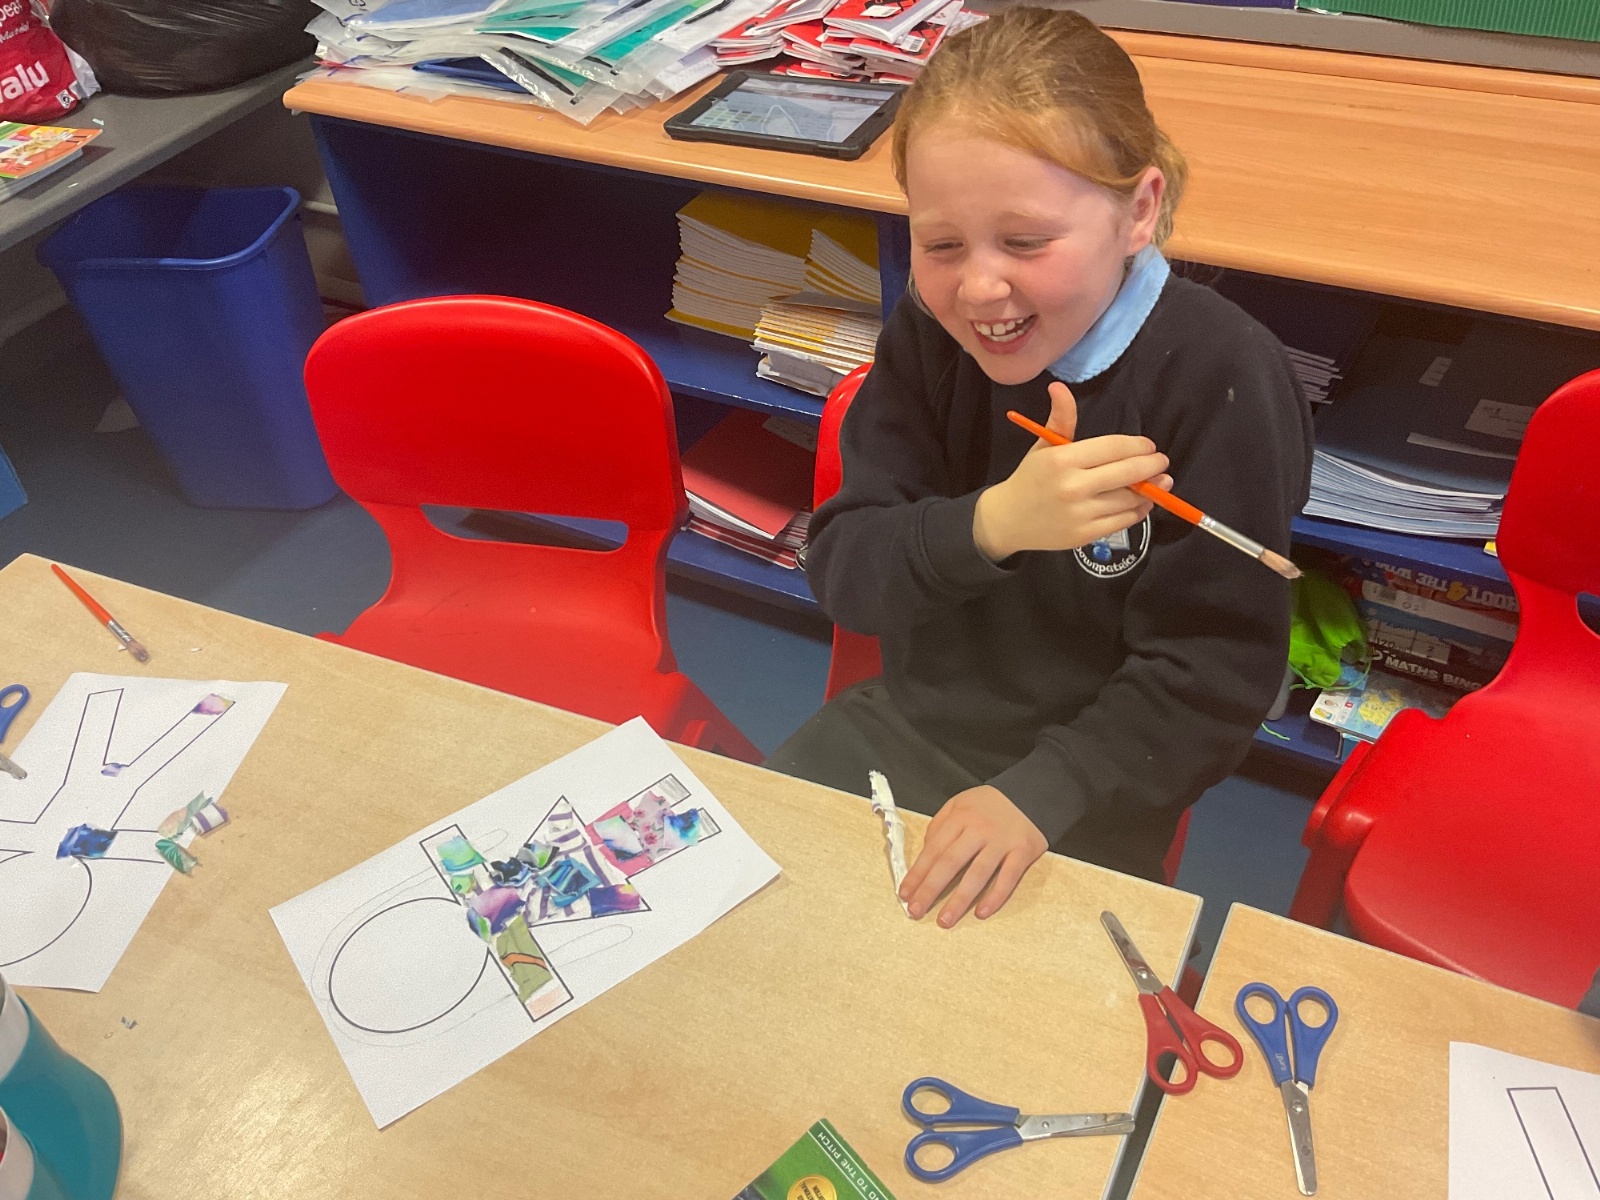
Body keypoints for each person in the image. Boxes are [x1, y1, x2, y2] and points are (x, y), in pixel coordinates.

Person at [767, 7, 1313, 925]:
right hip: (908, 730)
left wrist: (1041, 793)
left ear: (1138, 211)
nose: (980, 288)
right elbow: (847, 572)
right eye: (942, 245)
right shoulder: (930, 333)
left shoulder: (1222, 375)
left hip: (1093, 789)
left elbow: (1214, 673)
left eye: (1025, 242)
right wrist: (995, 524)